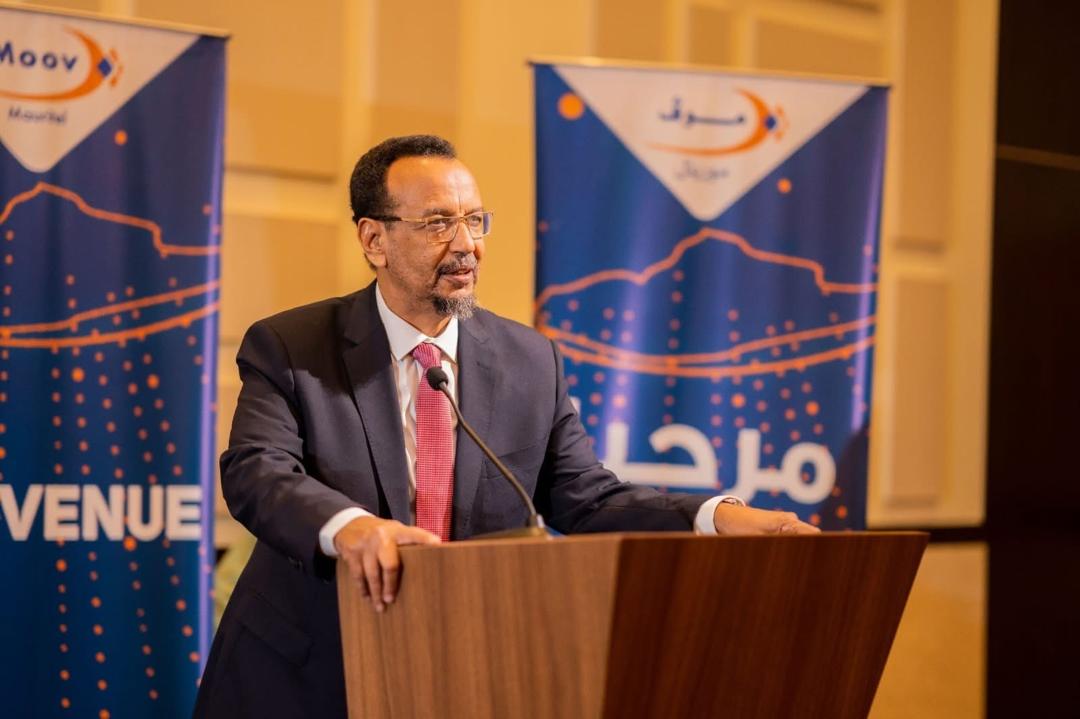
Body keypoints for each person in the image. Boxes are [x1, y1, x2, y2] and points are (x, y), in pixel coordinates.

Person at [193, 135, 817, 718]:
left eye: (475, 220)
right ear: (374, 239)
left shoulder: (530, 360)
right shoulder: (293, 346)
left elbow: (586, 498)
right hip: (309, 671)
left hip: (466, 667)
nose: (466, 244)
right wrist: (351, 528)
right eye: (438, 223)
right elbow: (257, 472)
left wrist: (715, 518)